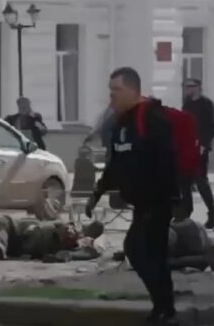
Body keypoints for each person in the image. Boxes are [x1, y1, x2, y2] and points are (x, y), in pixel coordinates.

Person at [86, 67, 180, 325]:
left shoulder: (153, 118)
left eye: (116, 90)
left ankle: (165, 308)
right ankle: (164, 310)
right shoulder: (122, 123)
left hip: (157, 202)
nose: (112, 96)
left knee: (137, 250)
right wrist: (97, 193)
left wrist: (171, 199)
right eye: (110, 90)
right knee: (153, 256)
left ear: (132, 90)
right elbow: (115, 163)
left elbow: (168, 161)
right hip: (141, 203)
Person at [0, 215, 103, 262]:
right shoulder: (69, 228)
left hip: (9, 238)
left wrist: (69, 254)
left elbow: (92, 251)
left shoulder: (78, 240)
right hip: (7, 226)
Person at [181, 78, 214, 229]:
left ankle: (213, 214)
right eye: (187, 86)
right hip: (187, 147)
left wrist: (204, 144)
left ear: (198, 87)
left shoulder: (207, 105)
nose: (189, 89)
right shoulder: (187, 104)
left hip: (200, 149)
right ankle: (185, 214)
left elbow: (211, 127)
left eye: (192, 86)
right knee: (184, 182)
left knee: (201, 182)